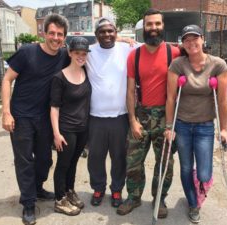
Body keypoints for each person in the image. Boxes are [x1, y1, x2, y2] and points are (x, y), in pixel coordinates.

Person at [1, 14, 70, 225]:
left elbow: (90, 51)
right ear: (44, 33)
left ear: (64, 37)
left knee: (44, 160)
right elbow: (7, 79)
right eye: (51, 33)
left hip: (45, 119)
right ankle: (29, 203)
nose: (55, 38)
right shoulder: (26, 52)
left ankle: (38, 187)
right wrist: (6, 112)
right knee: (24, 161)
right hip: (21, 117)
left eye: (59, 34)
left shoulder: (65, 56)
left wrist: (124, 40)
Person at [117, 8, 180, 218]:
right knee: (133, 160)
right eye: (149, 24)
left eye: (157, 24)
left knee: (165, 162)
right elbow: (129, 91)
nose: (153, 28)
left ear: (163, 26)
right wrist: (133, 120)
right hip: (141, 114)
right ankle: (133, 197)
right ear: (144, 28)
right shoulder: (134, 56)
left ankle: (159, 198)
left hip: (166, 115)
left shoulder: (175, 53)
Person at [165, 24, 227, 223]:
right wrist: (169, 127)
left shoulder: (218, 65)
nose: (191, 43)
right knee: (185, 167)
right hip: (182, 125)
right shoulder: (177, 64)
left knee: (204, 173)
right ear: (182, 44)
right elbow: (170, 98)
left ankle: (198, 182)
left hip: (205, 127)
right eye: (187, 40)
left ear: (202, 39)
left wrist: (225, 129)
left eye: (195, 38)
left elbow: (223, 100)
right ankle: (193, 204)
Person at [86, 17, 140, 208]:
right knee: (95, 157)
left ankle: (116, 189)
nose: (107, 34)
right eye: (103, 31)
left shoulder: (128, 49)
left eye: (111, 31)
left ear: (116, 33)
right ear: (96, 35)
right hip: (95, 117)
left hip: (120, 116)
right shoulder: (89, 52)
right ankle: (98, 188)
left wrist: (125, 40)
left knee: (119, 157)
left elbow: (152, 48)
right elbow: (68, 53)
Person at [50, 37, 91, 216]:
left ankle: (69, 191)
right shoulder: (59, 77)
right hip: (66, 129)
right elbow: (54, 108)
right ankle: (59, 200)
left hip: (83, 128)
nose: (81, 56)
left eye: (84, 53)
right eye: (77, 53)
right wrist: (56, 134)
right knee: (63, 164)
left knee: (74, 163)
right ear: (70, 53)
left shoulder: (86, 73)